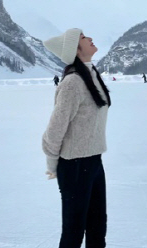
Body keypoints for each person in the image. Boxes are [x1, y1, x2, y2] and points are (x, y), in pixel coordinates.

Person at [42, 28, 111, 246]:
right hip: (74, 164)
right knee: (74, 231)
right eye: (83, 38)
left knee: (97, 226)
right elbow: (55, 130)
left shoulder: (91, 75)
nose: (90, 38)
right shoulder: (73, 83)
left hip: (93, 160)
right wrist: (53, 165)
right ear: (75, 49)